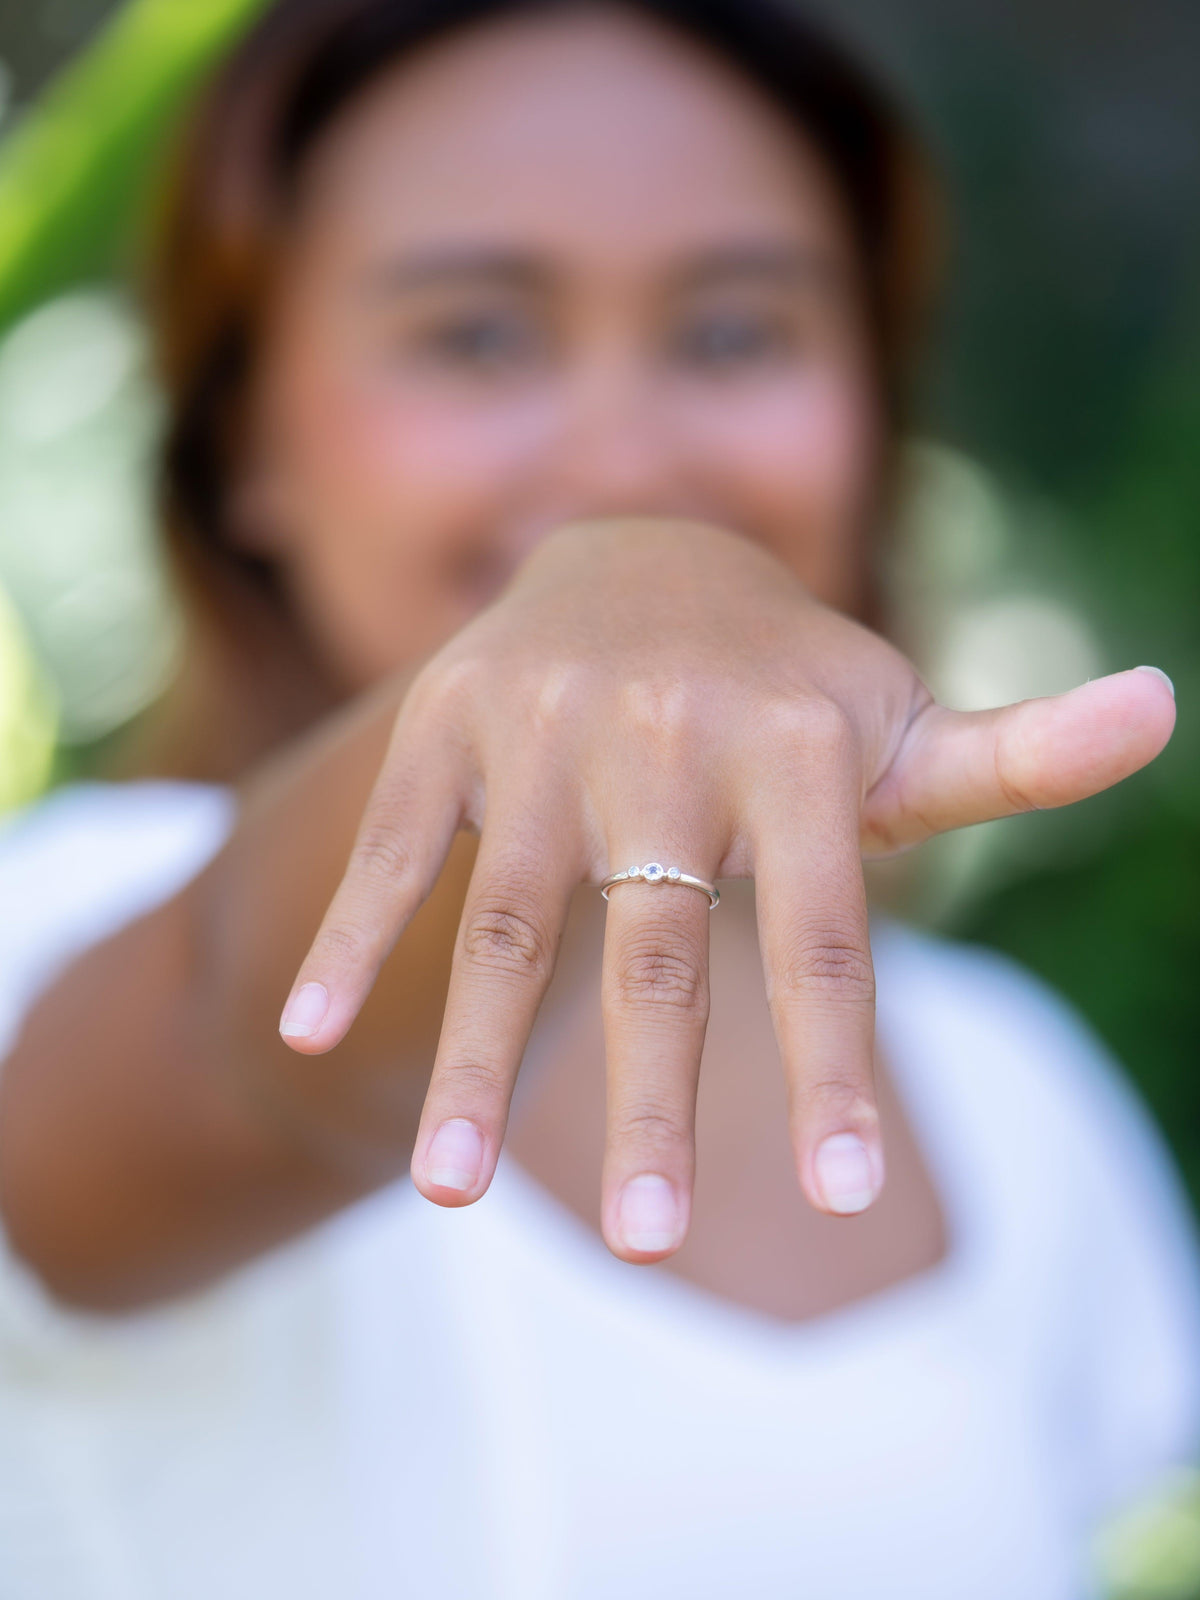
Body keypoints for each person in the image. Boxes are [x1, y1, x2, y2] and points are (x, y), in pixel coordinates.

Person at [0, 1, 1197, 1595]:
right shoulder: (77, 915)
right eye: (474, 334)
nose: (622, 449)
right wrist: (626, 577)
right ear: (246, 451)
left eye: (733, 333)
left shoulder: (1012, 1095)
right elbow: (245, 1039)